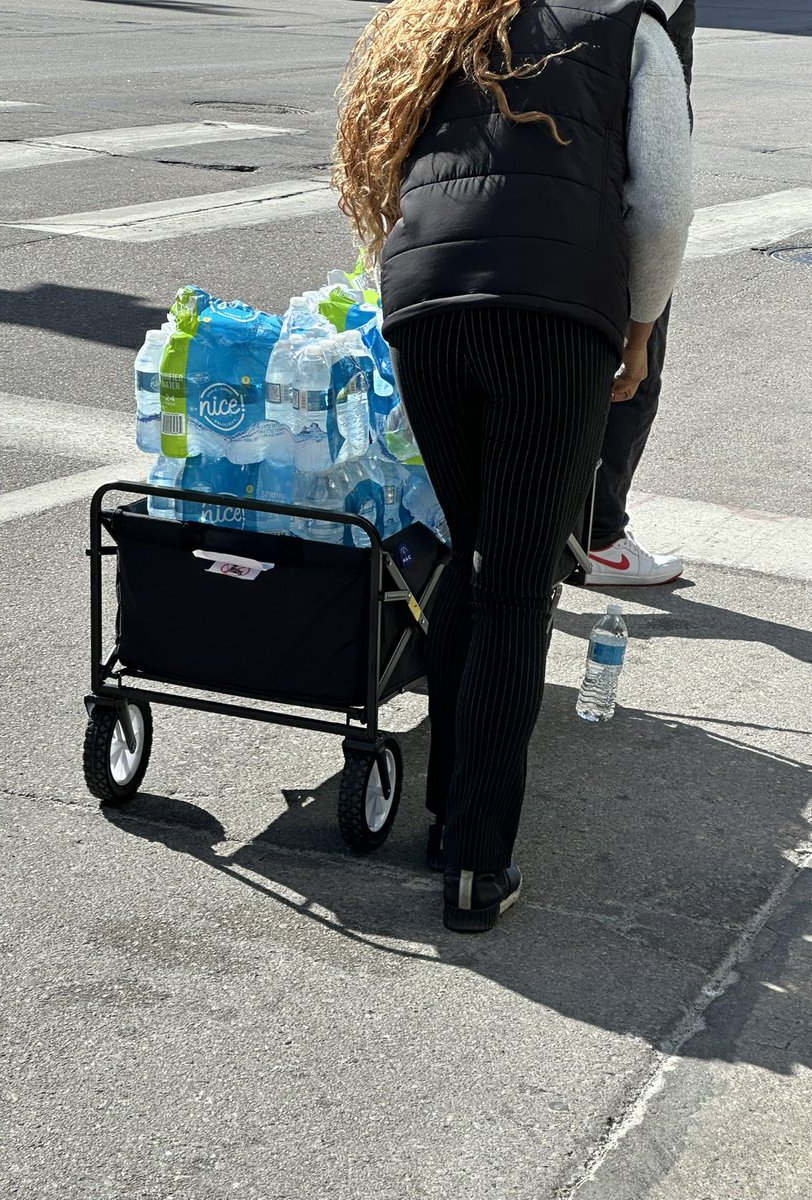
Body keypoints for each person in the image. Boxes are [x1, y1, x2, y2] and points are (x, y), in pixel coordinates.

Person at [333, 0, 692, 932]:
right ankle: (475, 864)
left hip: (426, 307)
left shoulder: (433, 19)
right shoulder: (632, 28)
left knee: (471, 547)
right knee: (517, 588)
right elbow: (661, 202)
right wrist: (643, 329)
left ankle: (450, 806)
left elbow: (387, 162)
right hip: (553, 319)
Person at [586, 0, 697, 586]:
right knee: (623, 379)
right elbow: (660, 207)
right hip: (593, 220)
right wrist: (641, 334)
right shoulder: (644, 34)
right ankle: (597, 535)